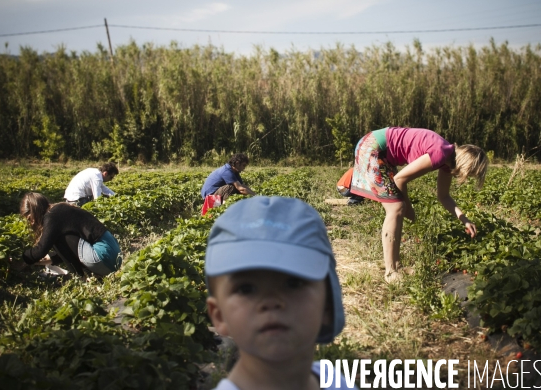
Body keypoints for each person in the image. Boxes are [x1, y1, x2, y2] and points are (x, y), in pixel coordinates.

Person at [205, 196, 357, 389]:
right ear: (219, 316)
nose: (271, 301)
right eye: (246, 289)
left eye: (293, 283)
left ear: (328, 305)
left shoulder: (334, 380)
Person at [349, 127, 488, 283]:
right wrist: (409, 209)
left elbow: (444, 196)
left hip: (380, 150)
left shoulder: (447, 160)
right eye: (470, 174)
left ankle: (397, 266)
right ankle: (391, 272)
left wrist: (464, 219)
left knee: (398, 207)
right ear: (467, 165)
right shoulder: (441, 153)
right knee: (396, 208)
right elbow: (400, 179)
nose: (466, 178)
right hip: (373, 147)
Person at [20, 192, 122, 277]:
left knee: (56, 238)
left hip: (104, 257)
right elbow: (70, 250)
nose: (31, 223)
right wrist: (51, 259)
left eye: (30, 218)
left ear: (35, 211)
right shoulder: (59, 210)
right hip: (114, 257)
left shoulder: (52, 217)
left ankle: (79, 276)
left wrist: (21, 259)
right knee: (59, 236)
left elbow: (41, 250)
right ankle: (85, 274)